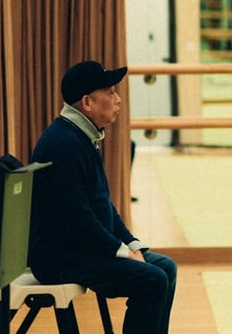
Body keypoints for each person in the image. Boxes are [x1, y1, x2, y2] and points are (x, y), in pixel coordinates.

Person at [29, 60, 178, 333]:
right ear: (87, 102)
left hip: (80, 248)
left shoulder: (82, 136)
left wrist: (131, 243)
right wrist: (120, 251)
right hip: (61, 257)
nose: (118, 99)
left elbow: (102, 205)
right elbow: (79, 221)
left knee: (165, 268)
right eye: (110, 92)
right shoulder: (63, 144)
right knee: (152, 279)